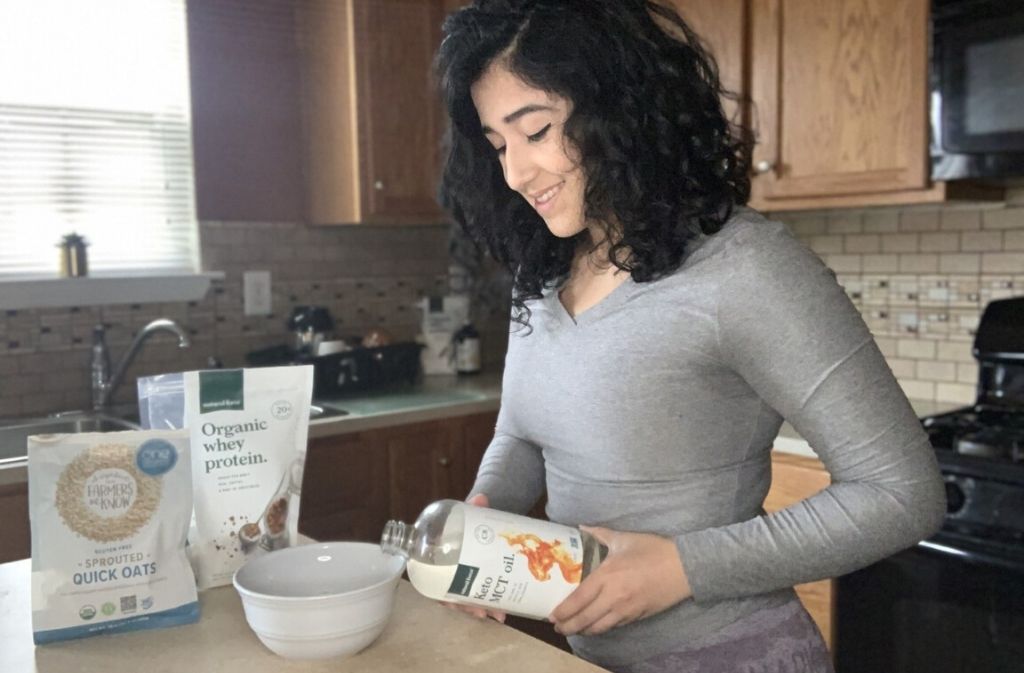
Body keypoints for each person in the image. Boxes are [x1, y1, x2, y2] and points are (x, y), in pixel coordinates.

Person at [434, 1, 946, 672]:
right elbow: (524, 434)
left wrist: (680, 566)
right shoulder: (543, 270)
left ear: (619, 109)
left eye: (536, 131)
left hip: (734, 654)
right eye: (498, 145)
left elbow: (903, 492)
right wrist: (487, 515)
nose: (515, 173)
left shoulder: (746, 268)